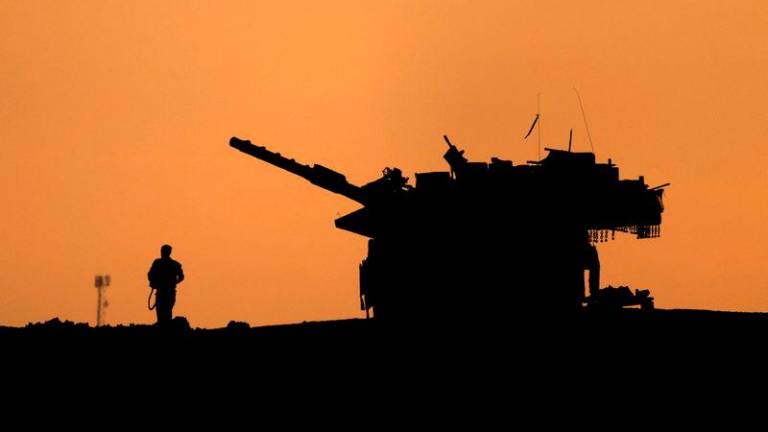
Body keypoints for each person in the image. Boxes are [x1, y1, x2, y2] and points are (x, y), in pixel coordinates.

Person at [147, 244, 185, 325]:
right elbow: (150, 274)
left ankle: (165, 328)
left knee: (167, 312)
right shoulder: (157, 263)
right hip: (162, 291)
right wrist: (153, 282)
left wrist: (173, 283)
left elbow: (181, 277)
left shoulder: (174, 264)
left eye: (164, 251)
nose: (162, 253)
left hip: (169, 292)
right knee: (160, 311)